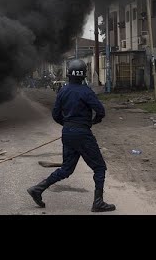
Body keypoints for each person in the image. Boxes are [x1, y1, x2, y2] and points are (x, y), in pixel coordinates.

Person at [27, 59, 116, 212]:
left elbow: (55, 114)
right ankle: (98, 202)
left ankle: (38, 189)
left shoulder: (63, 91)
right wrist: (93, 121)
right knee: (99, 167)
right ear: (83, 75)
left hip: (67, 133)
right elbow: (101, 111)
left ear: (69, 74)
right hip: (83, 134)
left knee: (67, 169)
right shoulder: (86, 91)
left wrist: (68, 126)